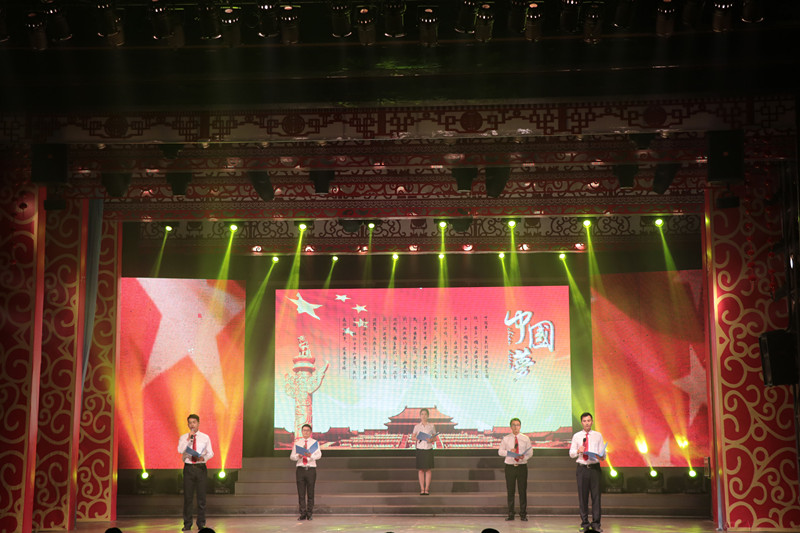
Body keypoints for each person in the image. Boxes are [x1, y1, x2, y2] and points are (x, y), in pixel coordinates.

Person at [569, 412, 606, 533]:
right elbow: (571, 454)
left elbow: (603, 455)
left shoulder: (598, 435)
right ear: (581, 422)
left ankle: (596, 524)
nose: (587, 423)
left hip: (595, 468)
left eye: (589, 421)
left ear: (592, 422)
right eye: (584, 421)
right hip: (582, 468)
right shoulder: (577, 436)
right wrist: (578, 451)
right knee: (583, 497)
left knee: (596, 497)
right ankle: (584, 523)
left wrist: (601, 456)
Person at [177, 413, 214, 531]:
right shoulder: (184, 437)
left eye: (194, 422)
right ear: (188, 424)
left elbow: (211, 452)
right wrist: (189, 439)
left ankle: (201, 524)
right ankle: (187, 524)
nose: (192, 425)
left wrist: (204, 458)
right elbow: (180, 450)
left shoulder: (205, 437)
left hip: (200, 468)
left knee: (201, 498)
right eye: (190, 423)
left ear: (198, 423)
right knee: (188, 498)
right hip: (189, 468)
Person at [498, 417, 533, 521]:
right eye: (513, 425)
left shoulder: (525, 438)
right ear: (510, 427)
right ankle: (511, 514)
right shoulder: (506, 438)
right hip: (510, 467)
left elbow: (530, 453)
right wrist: (509, 452)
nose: (516, 427)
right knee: (510, 490)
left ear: (520, 426)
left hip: (522, 466)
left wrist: (524, 457)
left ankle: (523, 514)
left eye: (517, 425)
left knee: (522, 490)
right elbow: (500, 452)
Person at [290, 423, 322, 520]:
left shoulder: (315, 443)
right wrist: (298, 456)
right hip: (300, 469)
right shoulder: (298, 443)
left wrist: (310, 456)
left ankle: (309, 513)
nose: (306, 432)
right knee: (301, 493)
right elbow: (292, 457)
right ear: (302, 432)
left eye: (308, 430)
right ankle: (302, 513)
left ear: (310, 432)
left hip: (311, 469)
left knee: (310, 493)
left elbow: (319, 455)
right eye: (304, 430)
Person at [411, 407, 436, 495]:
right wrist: (419, 437)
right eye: (422, 414)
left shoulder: (431, 426)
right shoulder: (417, 426)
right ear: (420, 416)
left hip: (428, 449)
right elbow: (412, 437)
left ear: (428, 416)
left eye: (425, 414)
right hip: (420, 449)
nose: (424, 416)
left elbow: (435, 438)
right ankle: (422, 489)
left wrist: (431, 440)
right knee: (421, 470)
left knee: (428, 470)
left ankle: (427, 489)